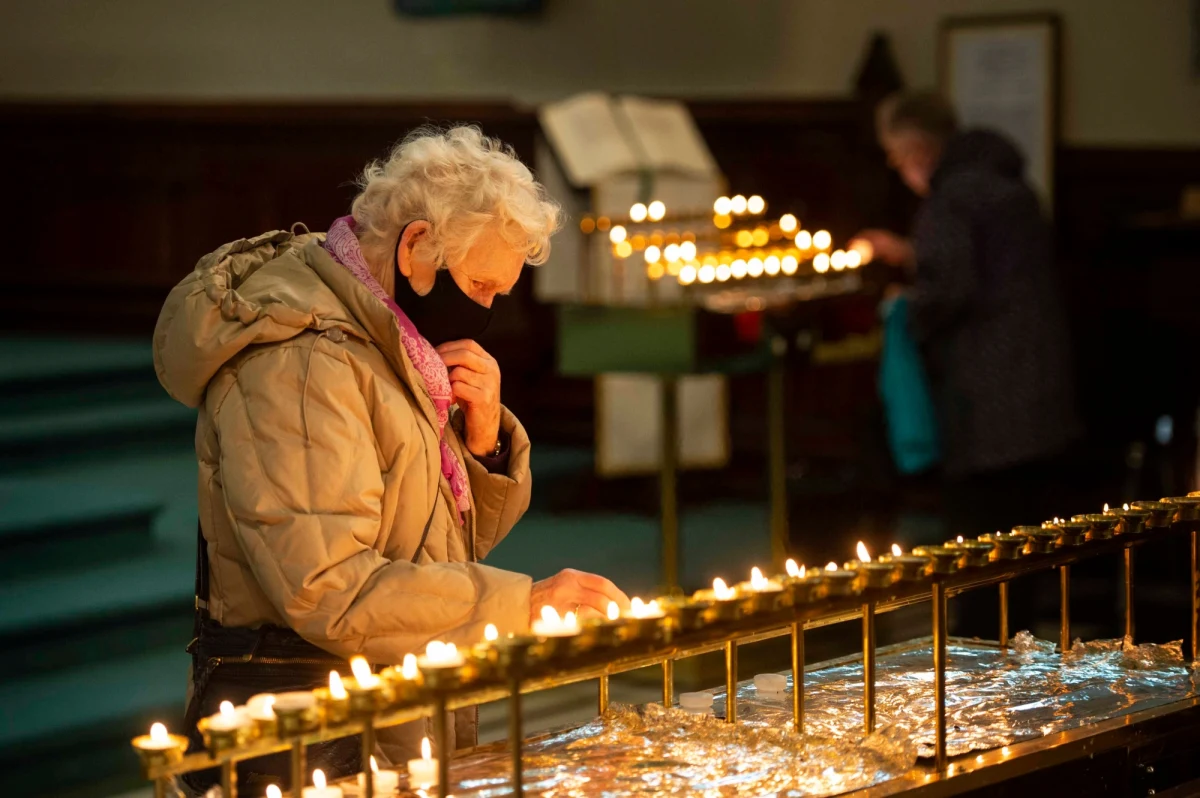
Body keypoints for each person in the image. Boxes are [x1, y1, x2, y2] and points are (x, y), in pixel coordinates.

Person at [154, 126, 630, 794]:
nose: (488, 311)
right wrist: (522, 605)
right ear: (414, 247)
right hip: (309, 729)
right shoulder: (303, 363)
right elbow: (329, 587)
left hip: (378, 704)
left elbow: (429, 549)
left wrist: (480, 443)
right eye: (480, 285)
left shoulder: (390, 345)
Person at [855, 92, 1080, 538]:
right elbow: (995, 266)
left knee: (981, 546)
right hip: (1040, 390)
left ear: (916, 150)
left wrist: (903, 307)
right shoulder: (1008, 183)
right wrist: (914, 253)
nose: (900, 170)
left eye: (897, 158)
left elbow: (948, 292)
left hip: (987, 402)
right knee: (1031, 543)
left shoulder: (949, 199)